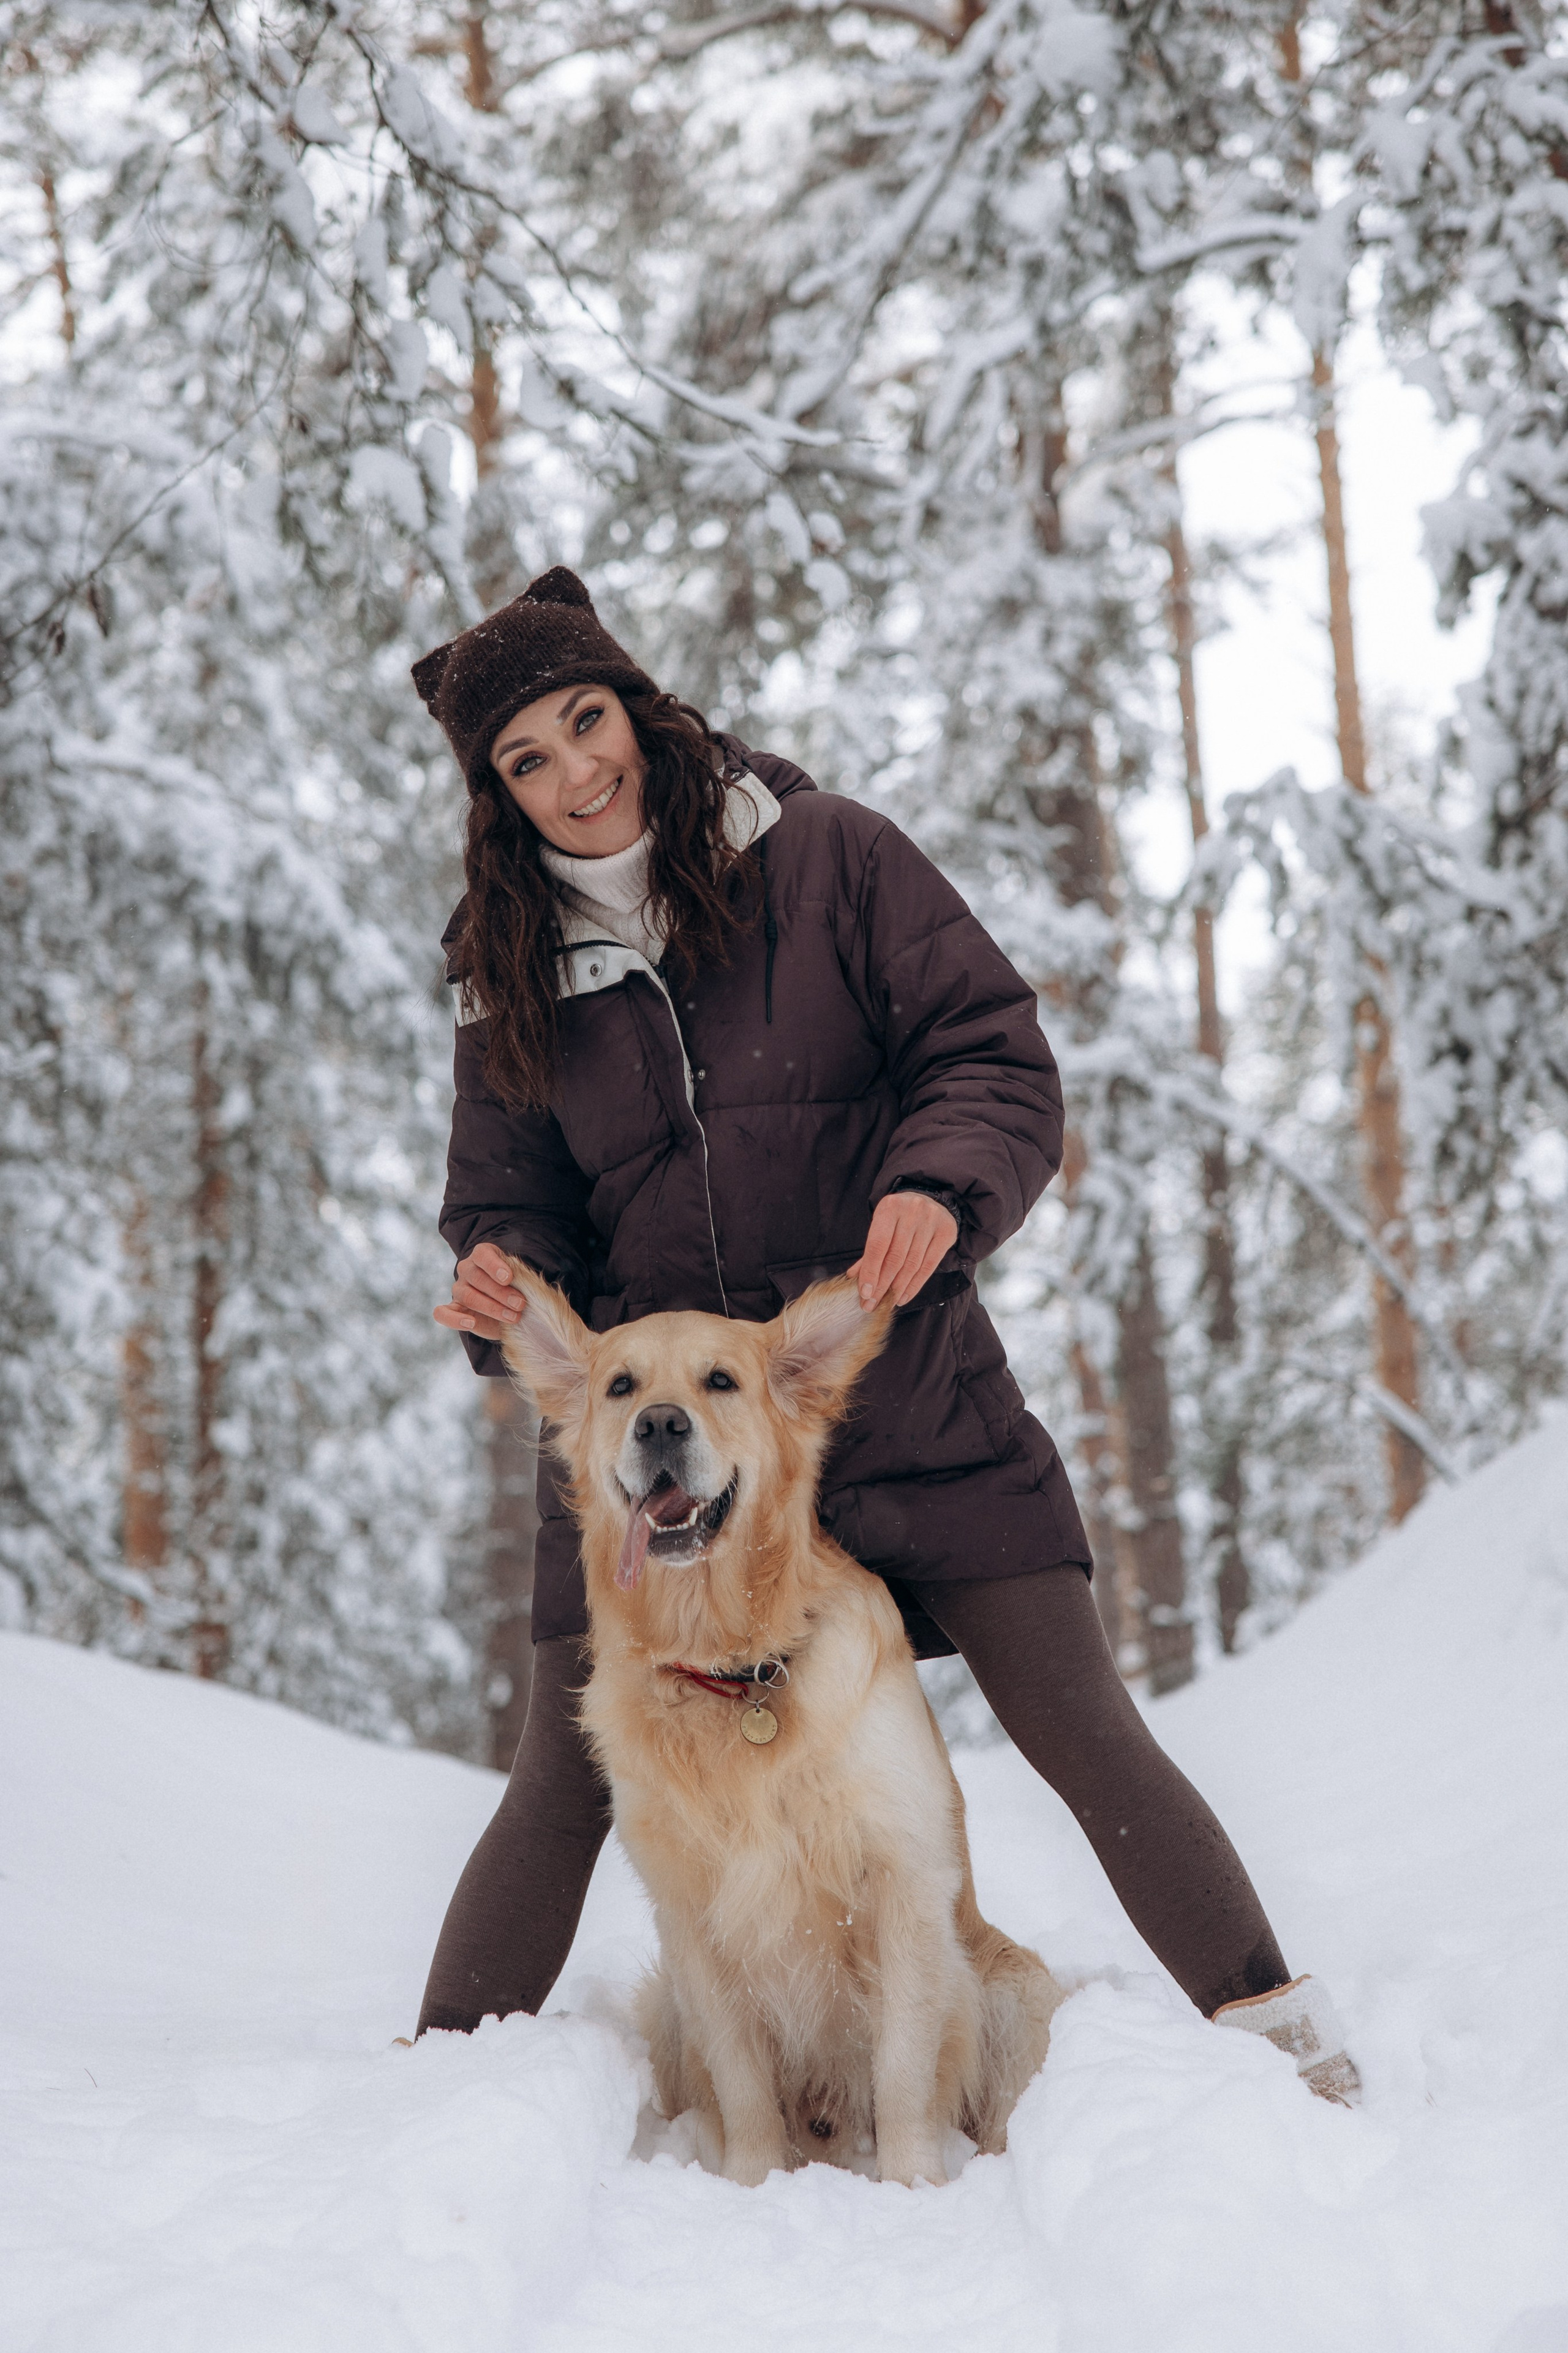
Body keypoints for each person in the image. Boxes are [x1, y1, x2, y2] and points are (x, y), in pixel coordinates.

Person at [409, 566, 1359, 2104]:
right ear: (494, 795)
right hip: (672, 1449)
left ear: (635, 710)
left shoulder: (828, 858)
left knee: (1074, 1723)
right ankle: (436, 2101)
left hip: (899, 1398)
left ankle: (1280, 2047)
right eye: (526, 759)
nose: (575, 773)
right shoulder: (504, 977)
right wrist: (499, 1276)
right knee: (561, 1781)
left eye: (587, 722)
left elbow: (987, 1048)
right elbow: (509, 1199)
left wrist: (938, 1180)